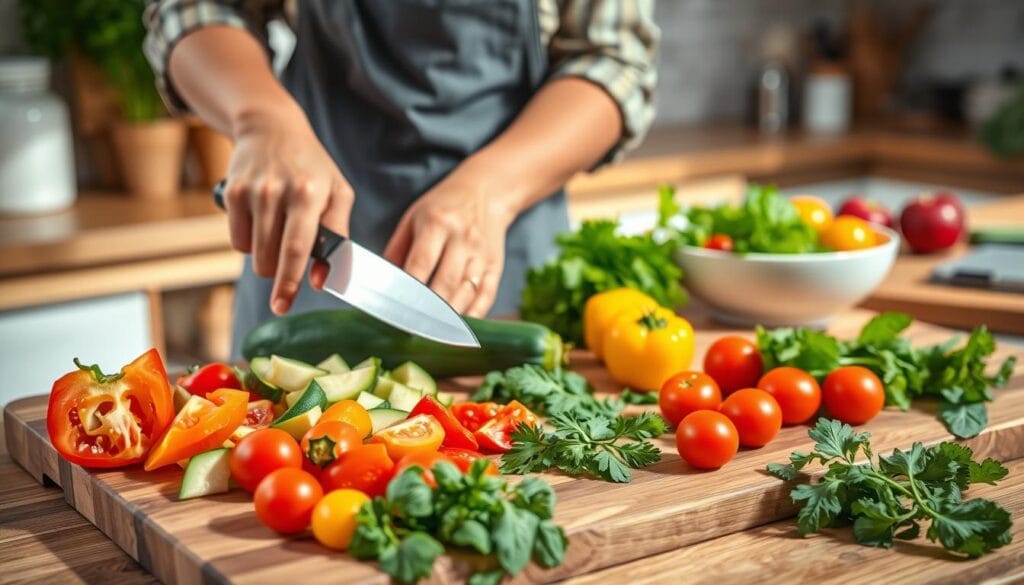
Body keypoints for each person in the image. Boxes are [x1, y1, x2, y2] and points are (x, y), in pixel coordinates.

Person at [144, 0, 658, 357]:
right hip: (310, 245)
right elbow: (197, 10)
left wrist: (491, 190)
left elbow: (614, 60)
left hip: (512, 256)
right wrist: (260, 118)